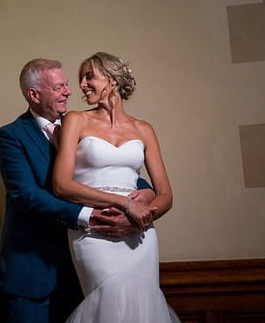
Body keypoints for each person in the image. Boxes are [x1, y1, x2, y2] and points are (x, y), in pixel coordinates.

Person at [0, 58, 155, 323]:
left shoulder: (81, 124)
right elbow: (26, 196)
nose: (69, 92)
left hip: (82, 269)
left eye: (67, 85)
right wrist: (87, 215)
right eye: (59, 87)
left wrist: (146, 191)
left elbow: (111, 171)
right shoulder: (11, 135)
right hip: (33, 273)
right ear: (34, 94)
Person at [53, 52, 180, 322]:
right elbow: (62, 185)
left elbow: (165, 195)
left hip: (140, 234)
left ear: (111, 79)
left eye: (89, 77)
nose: (82, 85)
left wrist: (138, 219)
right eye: (81, 79)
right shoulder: (75, 120)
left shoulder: (144, 129)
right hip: (96, 228)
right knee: (107, 304)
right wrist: (124, 204)